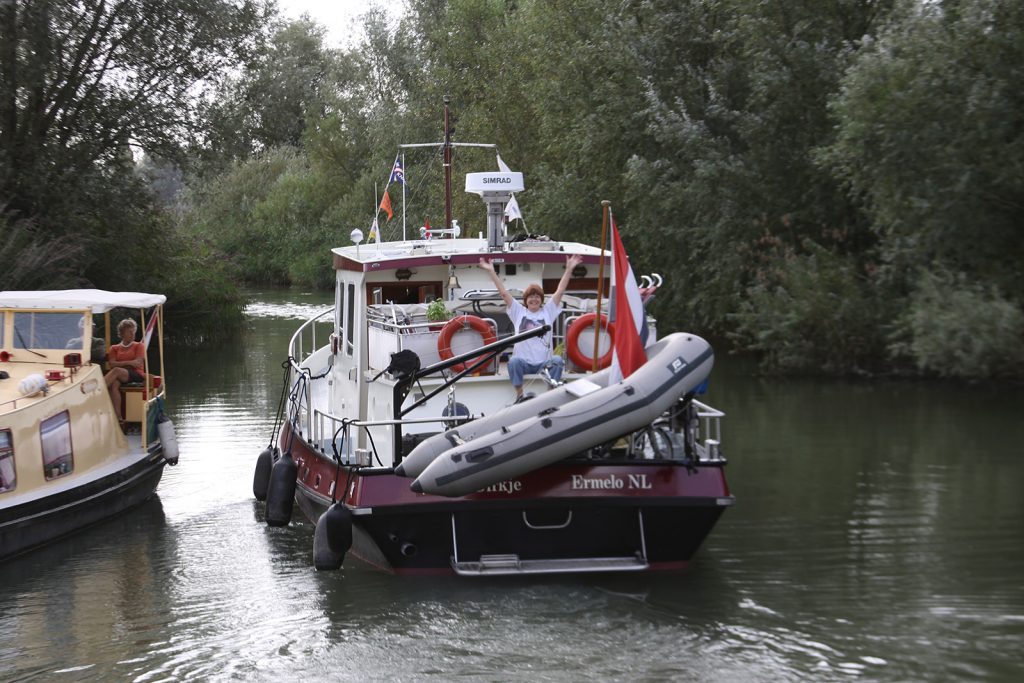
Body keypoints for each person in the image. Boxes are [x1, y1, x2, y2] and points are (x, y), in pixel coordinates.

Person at [479, 253, 583, 400]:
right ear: (526, 300)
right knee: (513, 361)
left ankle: (549, 394)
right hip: (524, 363)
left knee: (558, 361)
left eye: (537, 296)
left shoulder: (548, 311)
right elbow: (504, 293)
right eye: (531, 296)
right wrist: (491, 271)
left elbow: (560, 291)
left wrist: (569, 269)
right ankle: (520, 394)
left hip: (544, 364)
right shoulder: (518, 312)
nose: (534, 299)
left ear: (541, 300)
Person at [105, 318, 145, 426]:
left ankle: (98, 391)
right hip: (122, 375)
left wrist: (121, 364)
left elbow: (137, 363)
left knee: (117, 371)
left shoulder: (139, 346)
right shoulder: (114, 348)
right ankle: (119, 419)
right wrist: (129, 363)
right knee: (113, 385)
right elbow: (111, 364)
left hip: (136, 374)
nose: (133, 334)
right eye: (129, 332)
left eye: (134, 331)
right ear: (122, 333)